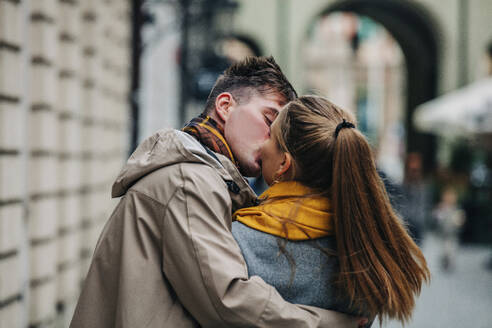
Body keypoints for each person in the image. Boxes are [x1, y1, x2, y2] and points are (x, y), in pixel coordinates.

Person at [70, 57, 360, 327]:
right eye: (269, 121)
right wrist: (332, 322)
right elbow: (227, 300)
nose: (273, 140)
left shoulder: (205, 177)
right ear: (225, 106)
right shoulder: (188, 181)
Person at [232, 96, 430, 325]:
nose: (262, 143)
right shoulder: (366, 248)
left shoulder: (239, 240)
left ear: (283, 164)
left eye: (270, 135)